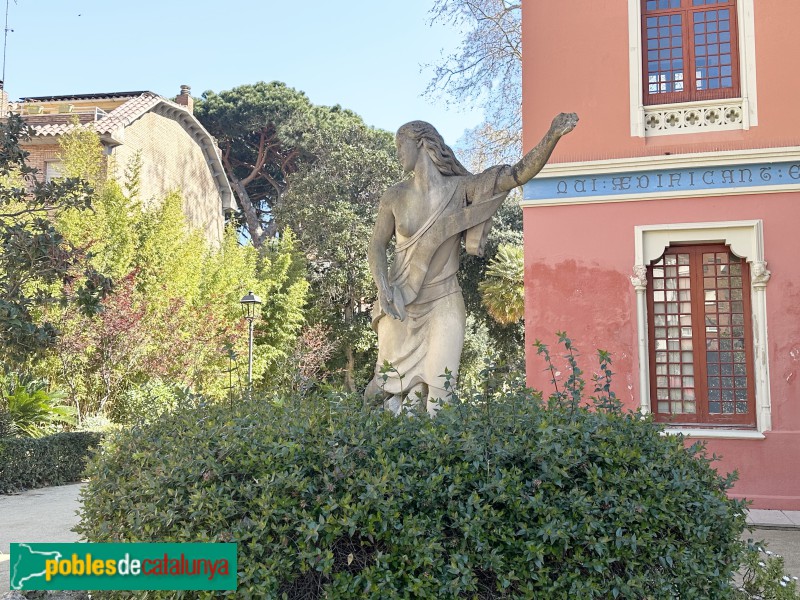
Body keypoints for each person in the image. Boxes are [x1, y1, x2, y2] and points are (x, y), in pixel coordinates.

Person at [365, 113, 578, 416]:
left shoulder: (461, 189)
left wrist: (552, 135)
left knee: (441, 392)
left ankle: (438, 443)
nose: (398, 152)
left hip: (444, 299)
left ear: (421, 143)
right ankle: (362, 432)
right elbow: (376, 245)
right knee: (383, 387)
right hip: (402, 300)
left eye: (401, 144)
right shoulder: (395, 196)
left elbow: (516, 175)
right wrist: (382, 286)